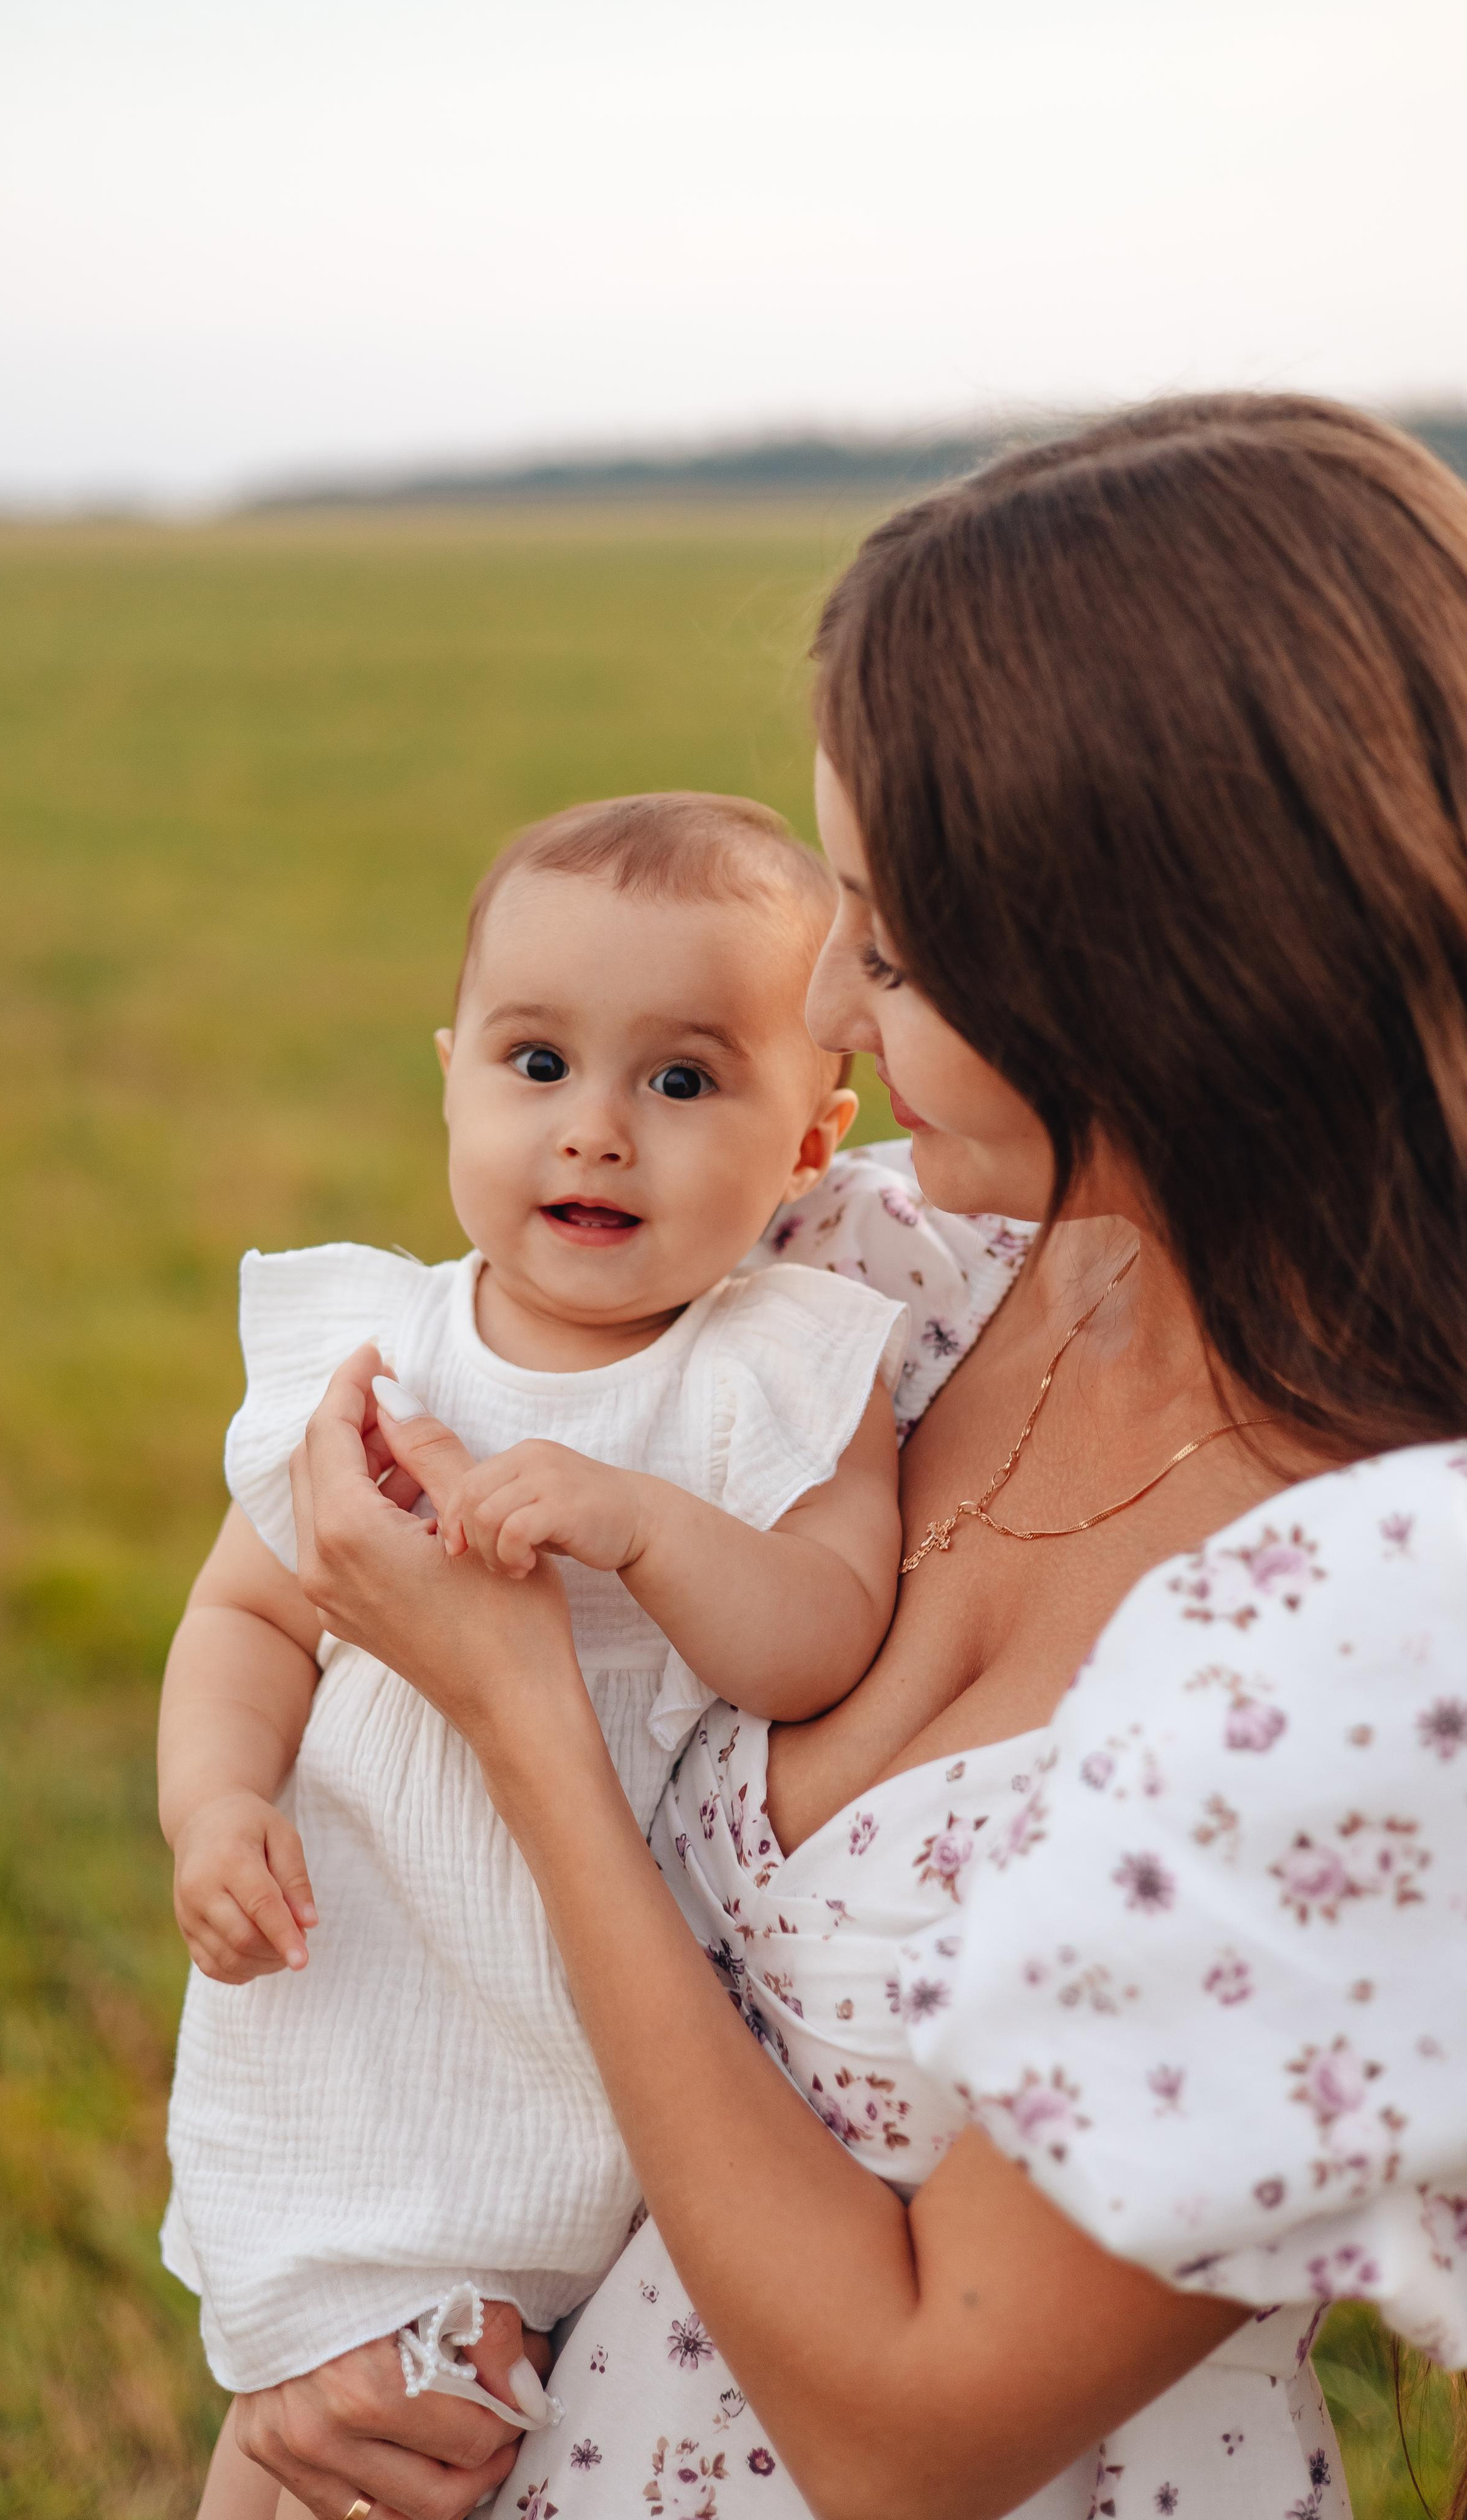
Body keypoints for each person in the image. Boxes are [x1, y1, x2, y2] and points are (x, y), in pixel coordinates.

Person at [228, 395, 1467, 2520]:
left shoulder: (1397, 1636)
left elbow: (908, 2436)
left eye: (891, 939)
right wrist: (354, 2321)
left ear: (1167, 966)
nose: (826, 997)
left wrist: (517, 1707)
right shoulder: (882, 1272)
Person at [159, 793, 996, 2517]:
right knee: (299, 2429)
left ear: (812, 1141)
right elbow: (248, 1609)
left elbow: (817, 1638)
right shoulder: (381, 1354)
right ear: (452, 1071)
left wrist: (648, 1527)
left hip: (586, 2042)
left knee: (449, 2440)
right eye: (538, 1066)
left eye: (684, 1082)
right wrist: (216, 1803)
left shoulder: (776, 1371)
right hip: (361, 1996)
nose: (596, 1133)